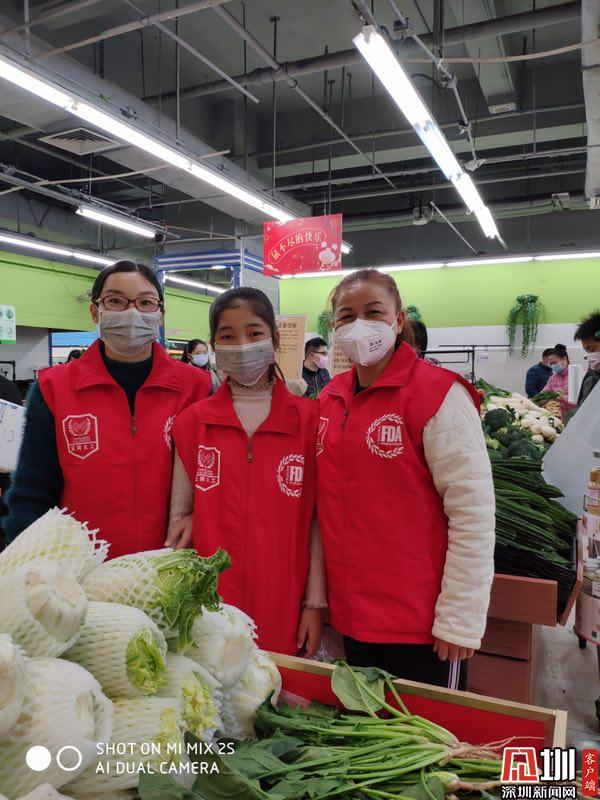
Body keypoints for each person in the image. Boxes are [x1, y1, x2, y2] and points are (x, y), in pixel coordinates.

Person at [316, 268, 495, 688]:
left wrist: (459, 619)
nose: (359, 325)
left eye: (373, 312)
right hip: (352, 618)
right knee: (366, 727)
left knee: (426, 730)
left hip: (423, 626)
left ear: (398, 321)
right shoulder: (329, 399)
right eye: (346, 316)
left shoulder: (438, 394)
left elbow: (472, 513)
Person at [2, 260, 211, 557]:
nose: (132, 313)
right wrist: (24, 561)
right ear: (94, 311)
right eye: (115, 301)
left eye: (145, 302)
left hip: (173, 563)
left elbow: (219, 478)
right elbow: (32, 489)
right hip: (82, 568)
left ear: (160, 315)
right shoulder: (54, 389)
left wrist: (201, 516)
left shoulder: (197, 388)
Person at [167, 288, 325, 656]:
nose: (241, 345)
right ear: (214, 345)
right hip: (209, 606)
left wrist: (315, 604)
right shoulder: (192, 423)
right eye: (227, 336)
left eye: (254, 333)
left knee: (277, 686)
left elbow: (318, 520)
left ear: (274, 338)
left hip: (284, 600)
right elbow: (177, 523)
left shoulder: (310, 421)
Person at [574, 310, 600, 408]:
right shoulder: (591, 378)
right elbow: (582, 408)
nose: (589, 356)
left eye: (592, 349)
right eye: (587, 350)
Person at [541, 344, 575, 417]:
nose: (553, 366)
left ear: (564, 359)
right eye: (551, 364)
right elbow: (544, 393)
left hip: (579, 414)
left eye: (555, 363)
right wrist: (538, 400)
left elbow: (582, 397)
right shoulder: (553, 378)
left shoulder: (576, 374)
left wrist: (563, 398)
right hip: (565, 415)